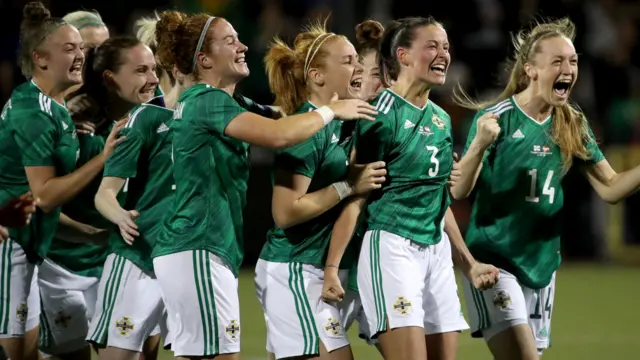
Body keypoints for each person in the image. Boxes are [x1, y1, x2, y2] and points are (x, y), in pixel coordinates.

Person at [151, 11, 377, 360]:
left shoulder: (228, 102)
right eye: (229, 41)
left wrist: (346, 92)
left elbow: (284, 116)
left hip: (199, 248)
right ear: (204, 59)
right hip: (197, 244)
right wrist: (333, 114)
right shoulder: (205, 100)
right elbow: (280, 135)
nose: (243, 46)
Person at [450, 17, 640, 360]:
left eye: (573, 61)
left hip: (542, 267)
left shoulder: (572, 122)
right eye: (558, 61)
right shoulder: (497, 118)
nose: (568, 68)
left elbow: (611, 188)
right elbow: (459, 190)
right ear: (531, 70)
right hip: (494, 262)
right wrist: (478, 145)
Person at [320, 17, 499, 360]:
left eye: (445, 46)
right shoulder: (380, 116)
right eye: (431, 46)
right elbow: (357, 195)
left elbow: (439, 200)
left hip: (435, 252)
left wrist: (468, 263)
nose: (443, 54)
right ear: (402, 55)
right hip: (392, 247)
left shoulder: (441, 118)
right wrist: (332, 268)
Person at [255, 21, 386, 360]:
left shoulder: (346, 122)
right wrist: (348, 186)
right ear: (317, 75)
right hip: (294, 267)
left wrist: (374, 44)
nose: (359, 68)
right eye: (348, 61)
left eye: (358, 59)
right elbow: (285, 212)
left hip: (317, 266)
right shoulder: (306, 131)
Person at [0, 3, 123, 360]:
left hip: (28, 249)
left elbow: (39, 207)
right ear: (40, 59)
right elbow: (46, 196)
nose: (82, 57)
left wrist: (92, 234)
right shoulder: (34, 112)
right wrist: (104, 156)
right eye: (71, 49)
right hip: (10, 248)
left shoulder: (52, 109)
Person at [72, 36, 170, 360]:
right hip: (101, 257)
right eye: (141, 70)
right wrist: (114, 218)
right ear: (110, 78)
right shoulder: (80, 126)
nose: (153, 79)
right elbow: (97, 194)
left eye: (154, 69)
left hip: (158, 253)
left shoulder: (161, 116)